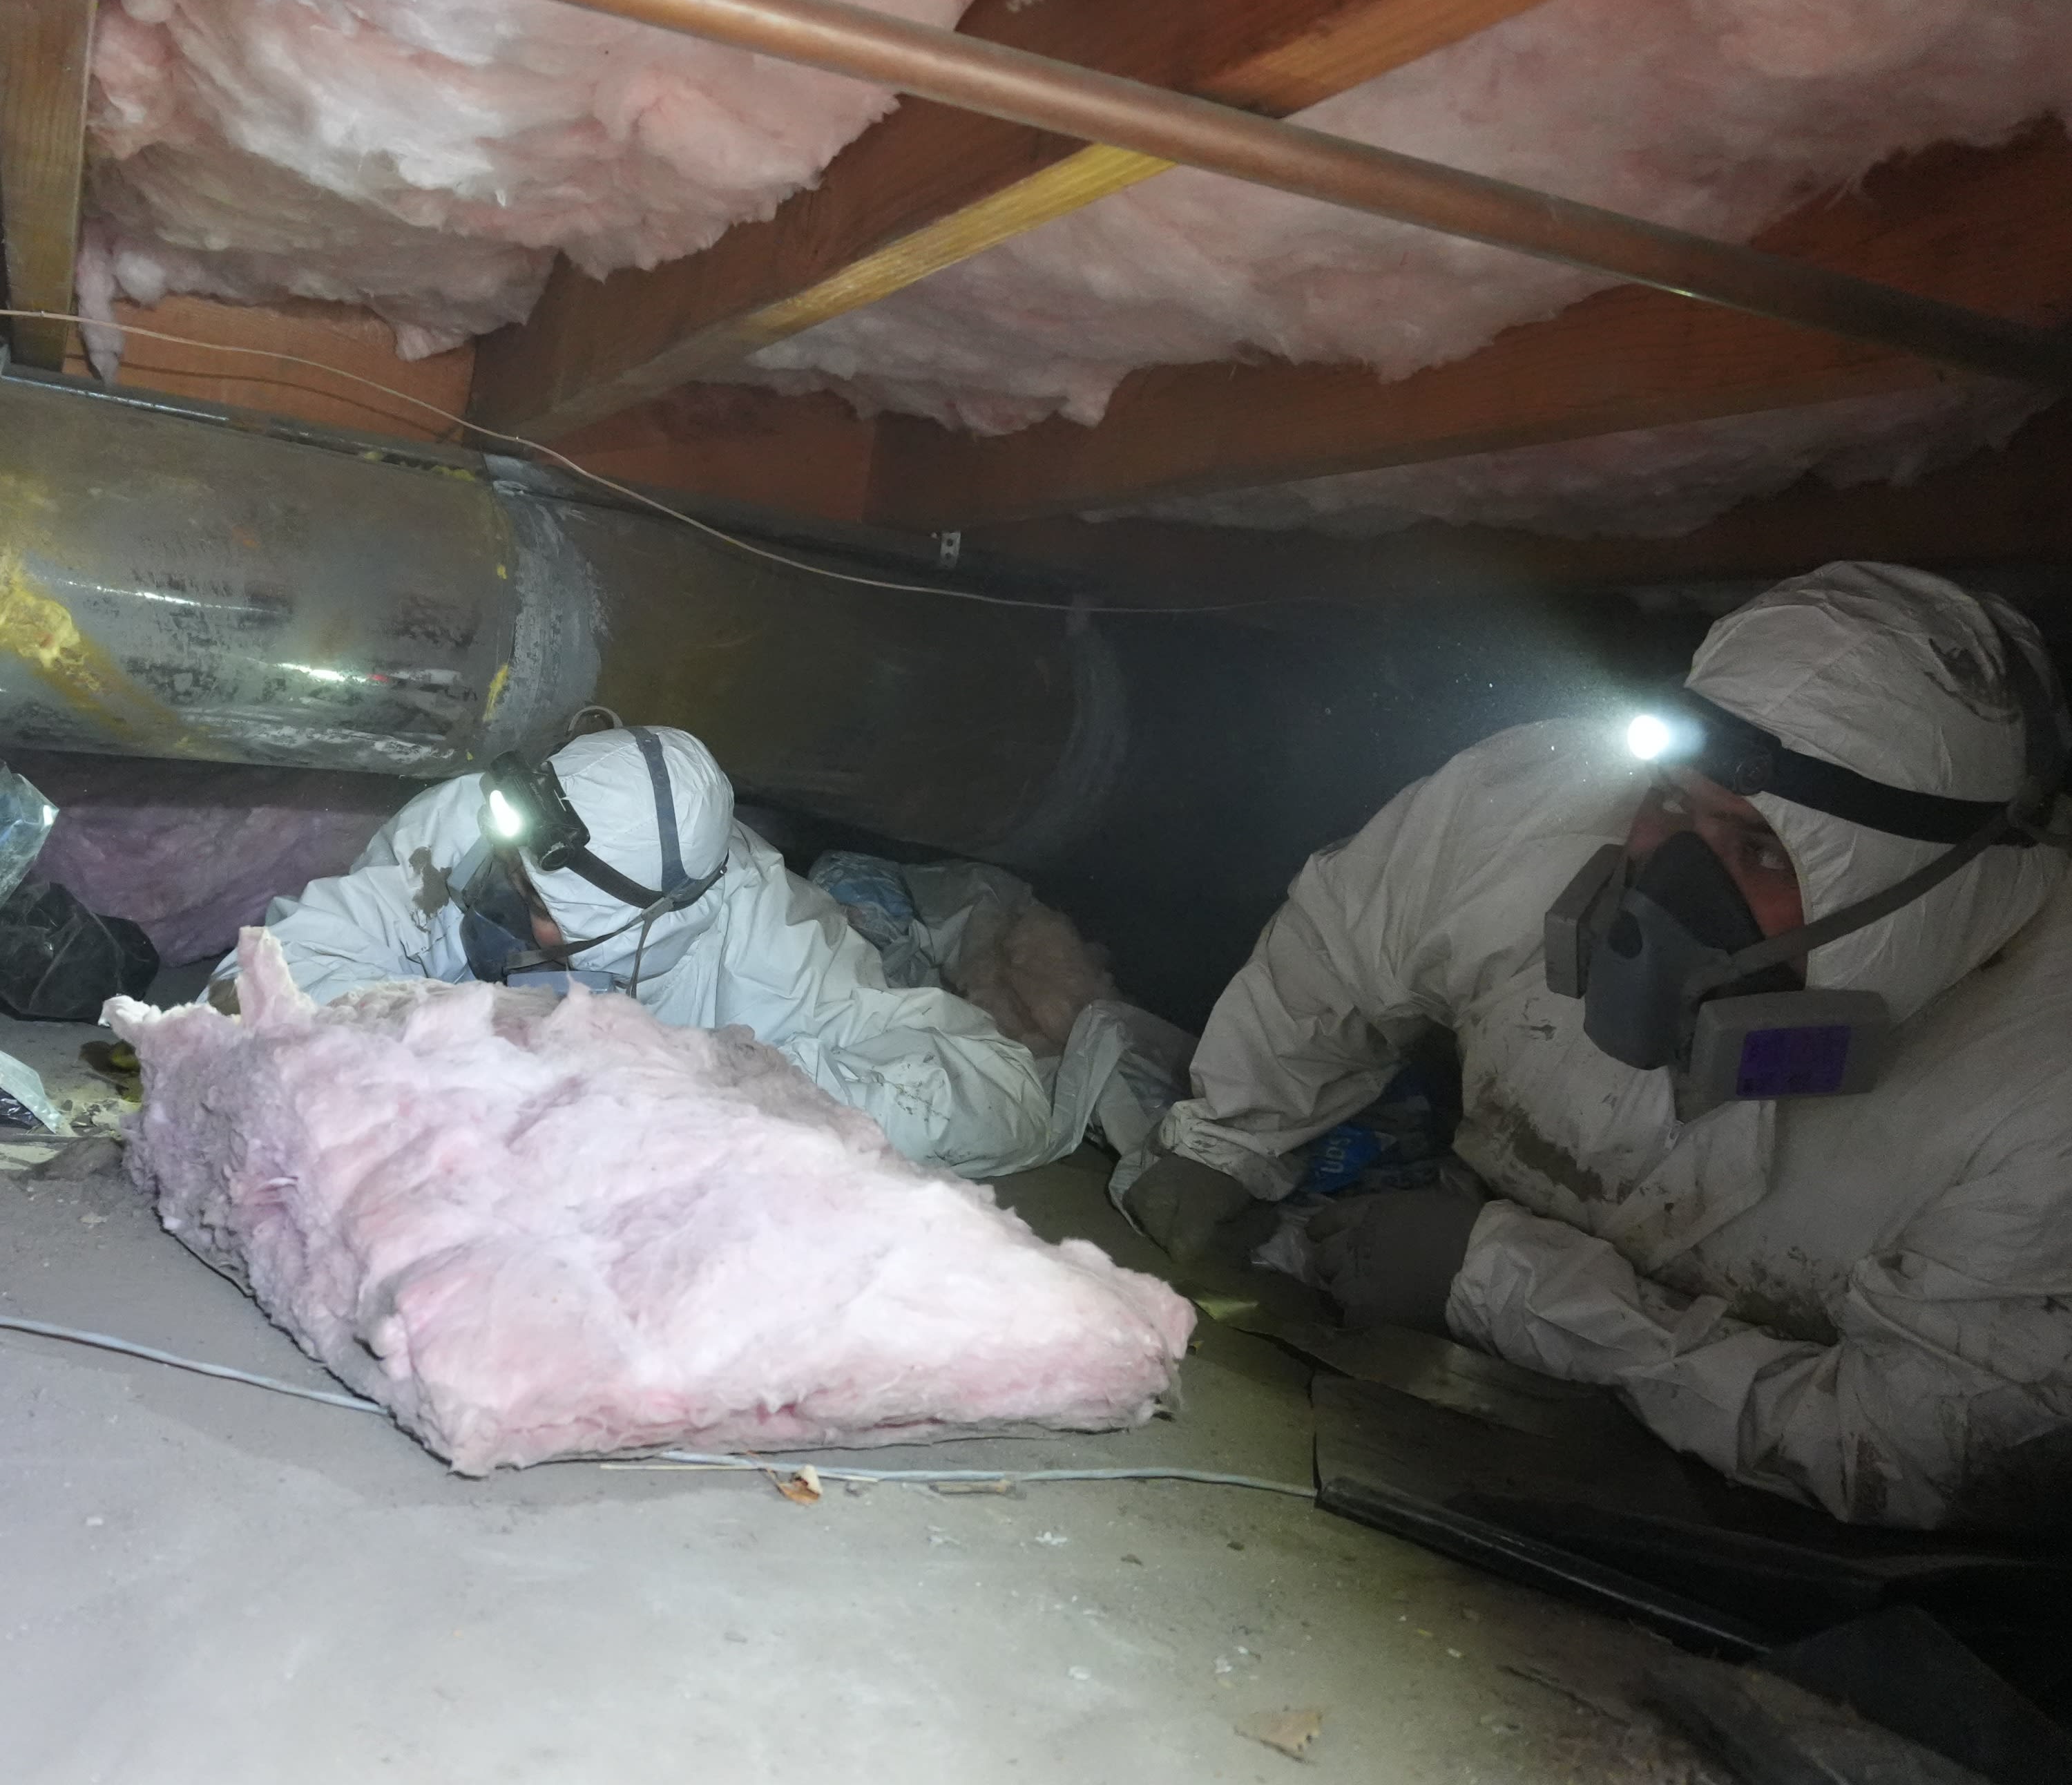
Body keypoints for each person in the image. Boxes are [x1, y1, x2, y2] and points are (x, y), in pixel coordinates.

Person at [1125, 564, 2072, 1529]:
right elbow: (1338, 953)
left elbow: (1911, 1460)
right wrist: (1228, 1141)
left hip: (1737, 1525)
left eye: (1756, 850)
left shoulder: (2042, 1095)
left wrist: (1509, 1285)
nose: (1671, 880)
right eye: (1671, 803)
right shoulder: (1527, 807)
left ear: (1917, 901)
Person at [209, 726, 1064, 1179]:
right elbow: (262, 978)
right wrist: (462, 1032)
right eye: (509, 873)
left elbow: (1007, 1095)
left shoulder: (777, 954)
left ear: (639, 930)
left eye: (539, 910)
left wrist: (722, 1079)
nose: (503, 898)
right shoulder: (464, 830)